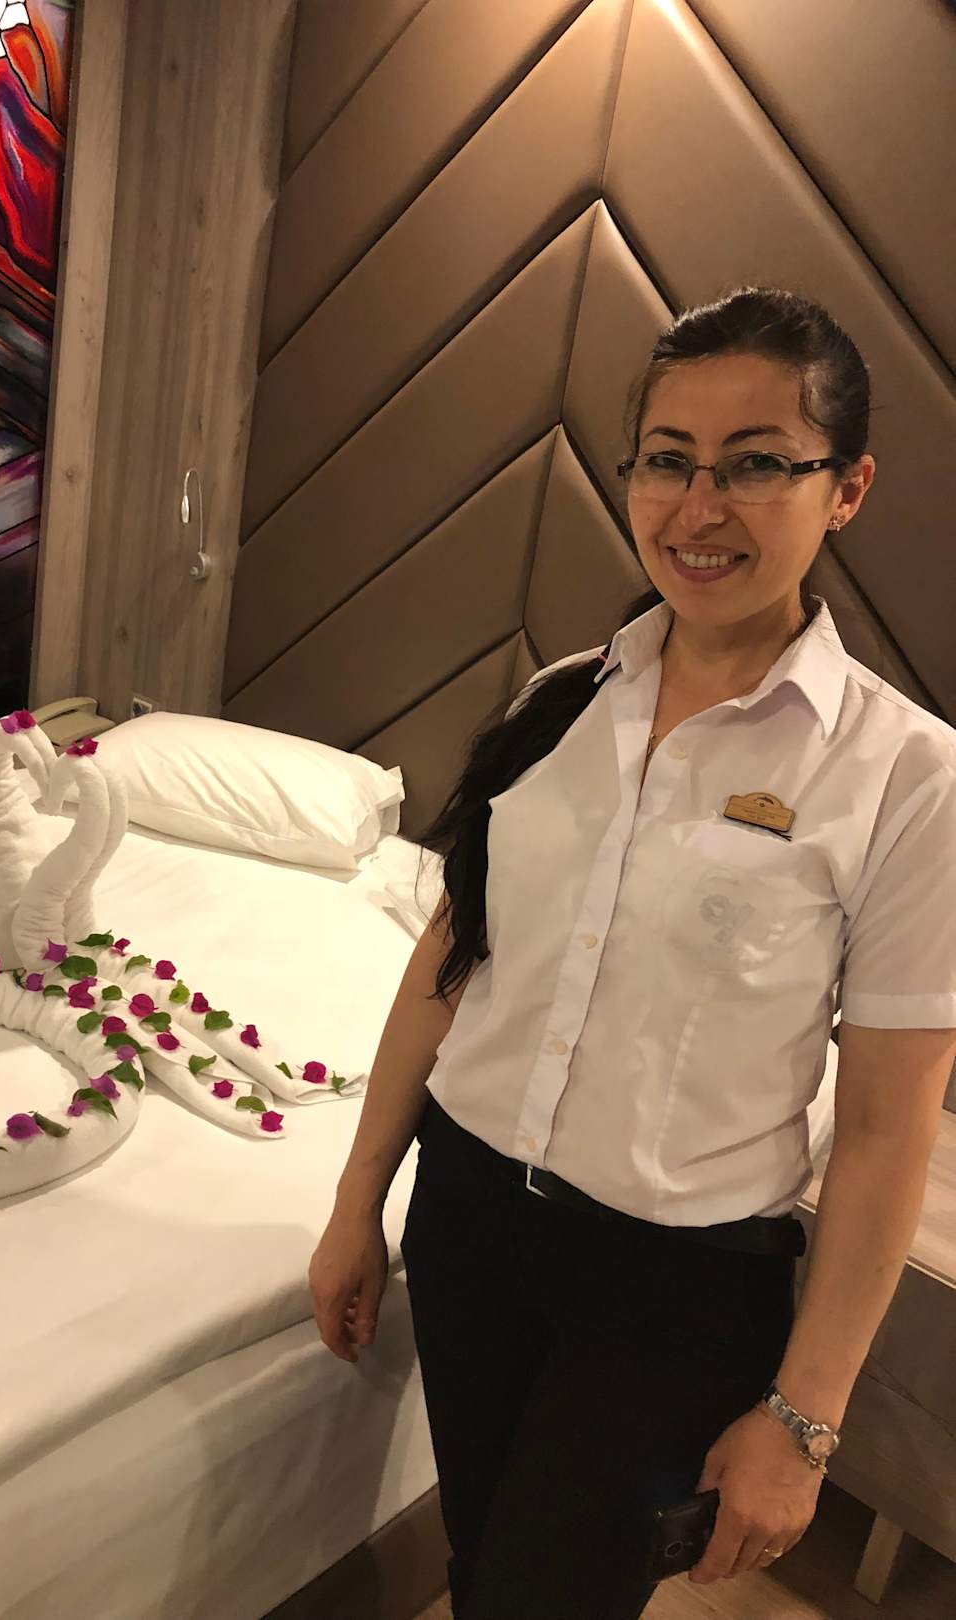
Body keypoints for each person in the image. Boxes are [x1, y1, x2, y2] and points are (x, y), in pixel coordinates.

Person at [308, 285, 956, 1617]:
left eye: (757, 463)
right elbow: (452, 963)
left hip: (673, 1286)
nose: (697, 507)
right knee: (484, 1560)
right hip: (469, 1214)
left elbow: (889, 1132)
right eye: (669, 459)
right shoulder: (560, 702)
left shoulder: (907, 777)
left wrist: (805, 1420)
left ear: (846, 489)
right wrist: (356, 1200)